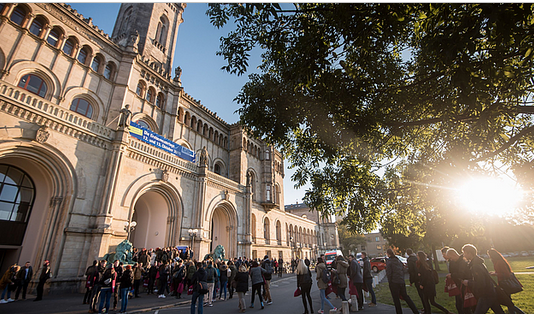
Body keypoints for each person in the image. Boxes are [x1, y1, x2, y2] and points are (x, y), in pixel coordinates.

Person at [461, 244, 505, 314]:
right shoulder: (478, 263)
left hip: (485, 295)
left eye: (464, 253)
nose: (463, 255)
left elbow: (481, 283)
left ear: (469, 253)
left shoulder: (475, 266)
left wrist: (468, 283)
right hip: (490, 292)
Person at [488, 248, 524, 314]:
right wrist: (493, 273)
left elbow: (506, 274)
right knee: (508, 302)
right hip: (502, 283)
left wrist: (495, 274)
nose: (489, 257)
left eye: (489, 255)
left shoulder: (500, 262)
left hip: (505, 284)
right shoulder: (497, 261)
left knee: (508, 303)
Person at [386, 248, 419, 314]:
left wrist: (390, 282)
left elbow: (389, 273)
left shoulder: (389, 262)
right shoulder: (398, 261)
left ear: (388, 254)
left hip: (394, 282)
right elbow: (402, 269)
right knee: (406, 296)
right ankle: (415, 311)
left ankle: (399, 312)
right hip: (401, 281)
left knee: (396, 299)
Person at [446, 248, 472, 314]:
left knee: (464, 305)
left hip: (463, 285)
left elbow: (461, 274)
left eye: (451, 257)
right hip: (458, 285)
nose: (451, 259)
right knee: (459, 305)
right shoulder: (456, 262)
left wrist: (452, 275)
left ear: (454, 255)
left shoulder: (462, 262)